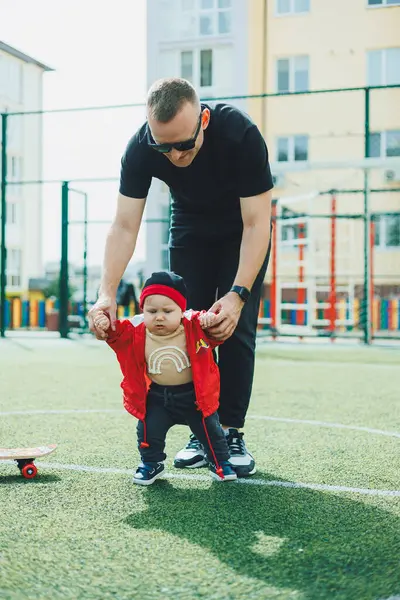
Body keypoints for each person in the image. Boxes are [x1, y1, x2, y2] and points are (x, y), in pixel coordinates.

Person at [88, 77, 273, 477]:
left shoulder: (241, 134)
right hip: (190, 226)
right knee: (184, 328)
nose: (174, 155)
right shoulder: (140, 148)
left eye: (184, 144)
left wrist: (239, 294)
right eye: (163, 146)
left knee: (232, 329)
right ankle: (200, 430)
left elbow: (259, 222)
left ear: (203, 120)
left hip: (244, 230)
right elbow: (123, 225)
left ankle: (230, 431)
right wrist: (106, 293)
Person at [92, 270, 237, 485]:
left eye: (168, 311)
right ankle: (151, 464)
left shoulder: (193, 325)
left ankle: (220, 462)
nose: (159, 316)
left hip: (194, 397)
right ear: (143, 310)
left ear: (181, 310)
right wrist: (104, 323)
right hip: (159, 397)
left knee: (211, 431)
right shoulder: (136, 329)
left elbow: (211, 325)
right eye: (152, 311)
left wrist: (210, 319)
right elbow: (116, 334)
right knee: (148, 431)